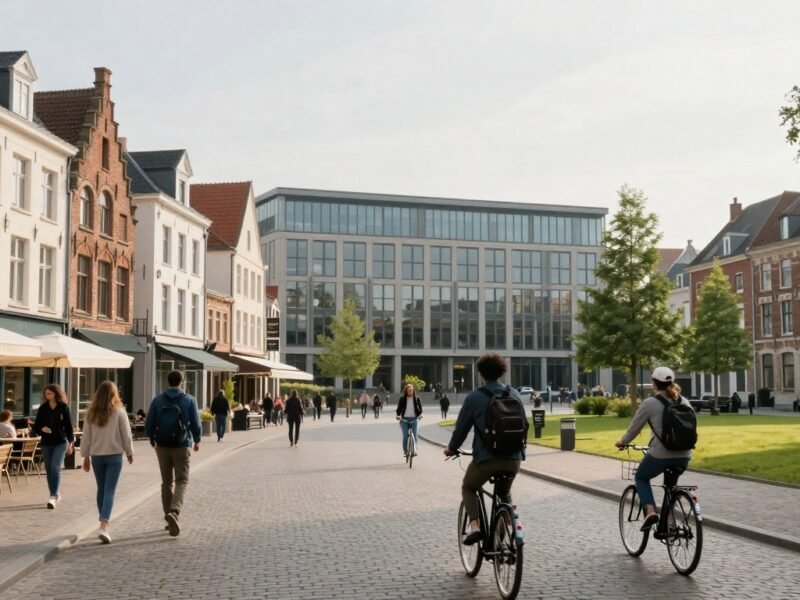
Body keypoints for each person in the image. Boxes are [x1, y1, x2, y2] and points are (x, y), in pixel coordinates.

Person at [443, 353, 523, 545]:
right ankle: (506, 527)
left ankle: (475, 527)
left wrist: (452, 448)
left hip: (487, 458)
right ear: (502, 372)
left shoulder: (474, 397)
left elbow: (461, 430)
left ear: (481, 374)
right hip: (513, 458)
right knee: (504, 494)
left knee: (468, 487)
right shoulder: (514, 393)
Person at [615, 367, 692, 531]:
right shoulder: (684, 401)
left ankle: (650, 512)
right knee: (671, 487)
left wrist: (622, 442)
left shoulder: (650, 403)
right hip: (684, 455)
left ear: (654, 383)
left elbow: (634, 429)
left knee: (641, 477)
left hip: (660, 454)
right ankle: (669, 522)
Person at [145, 370, 201, 537]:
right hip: (182, 445)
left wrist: (152, 440)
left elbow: (149, 423)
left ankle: (168, 517)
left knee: (166, 483)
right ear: (181, 382)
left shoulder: (157, 400)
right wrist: (197, 440)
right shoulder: (189, 400)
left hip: (162, 446)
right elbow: (196, 423)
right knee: (182, 480)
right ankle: (174, 512)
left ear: (167, 382)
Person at [80, 381, 134, 544]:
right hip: (114, 456)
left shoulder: (91, 413)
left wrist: (85, 456)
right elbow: (126, 434)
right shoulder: (119, 412)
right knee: (109, 491)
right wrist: (130, 452)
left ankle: (103, 524)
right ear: (114, 394)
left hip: (97, 456)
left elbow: (86, 436)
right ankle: (104, 526)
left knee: (101, 489)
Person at [32, 384, 75, 509]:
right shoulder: (43, 408)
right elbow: (36, 426)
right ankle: (54, 494)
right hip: (46, 442)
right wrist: (42, 429)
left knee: (55, 467)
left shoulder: (63, 407)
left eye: (49, 393)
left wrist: (70, 443)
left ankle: (53, 496)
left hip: (60, 442)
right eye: (46, 393)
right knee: (48, 469)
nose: (47, 395)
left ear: (56, 393)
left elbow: (69, 426)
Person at [395, 383, 423, 457]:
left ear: (413, 391)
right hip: (405, 420)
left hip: (414, 420)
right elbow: (399, 409)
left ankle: (415, 450)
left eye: (411, 390)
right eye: (408, 390)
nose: (410, 391)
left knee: (415, 436)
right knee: (405, 437)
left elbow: (420, 410)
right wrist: (398, 415)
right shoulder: (402, 399)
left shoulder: (417, 399)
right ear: (406, 391)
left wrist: (420, 415)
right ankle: (405, 451)